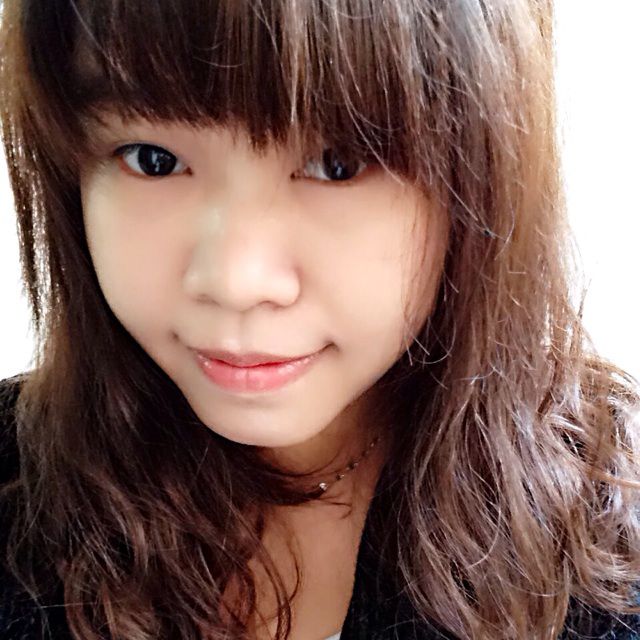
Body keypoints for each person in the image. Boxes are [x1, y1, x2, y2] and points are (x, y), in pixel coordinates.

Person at [1, 0, 639, 638]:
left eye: (339, 164)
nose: (235, 283)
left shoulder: (610, 542)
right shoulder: (20, 486)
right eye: (153, 159)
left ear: (478, 182)